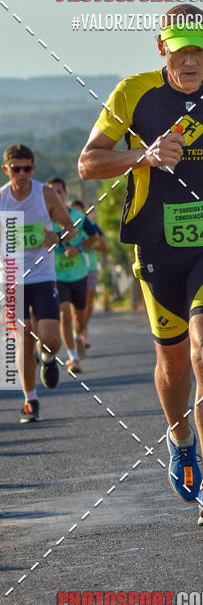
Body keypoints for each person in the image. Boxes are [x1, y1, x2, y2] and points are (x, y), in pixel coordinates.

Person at [78, 4, 203, 526]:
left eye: (198, 50)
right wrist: (146, 156)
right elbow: (88, 163)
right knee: (174, 364)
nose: (190, 60)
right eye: (179, 50)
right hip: (156, 248)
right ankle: (181, 439)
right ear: (162, 49)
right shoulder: (133, 94)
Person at [0, 144, 76, 422]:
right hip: (11, 279)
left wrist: (57, 237)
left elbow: (70, 228)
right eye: (16, 168)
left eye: (27, 168)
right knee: (23, 338)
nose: (22, 174)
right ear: (6, 169)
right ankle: (30, 401)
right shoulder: (1, 199)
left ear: (33, 168)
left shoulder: (45, 193)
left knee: (49, 338)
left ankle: (47, 358)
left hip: (43, 276)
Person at [45, 177, 95, 373]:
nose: (55, 195)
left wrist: (78, 248)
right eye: (51, 192)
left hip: (79, 273)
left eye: (59, 191)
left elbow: (94, 237)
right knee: (65, 313)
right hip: (57, 276)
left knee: (80, 316)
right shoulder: (43, 218)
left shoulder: (78, 217)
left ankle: (77, 334)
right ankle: (73, 358)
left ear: (65, 194)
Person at [69, 199, 108, 350]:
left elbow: (104, 246)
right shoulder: (67, 227)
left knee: (87, 305)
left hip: (90, 268)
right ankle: (78, 335)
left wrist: (87, 247)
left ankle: (81, 333)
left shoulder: (91, 227)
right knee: (75, 307)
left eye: (79, 211)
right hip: (72, 269)